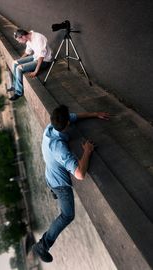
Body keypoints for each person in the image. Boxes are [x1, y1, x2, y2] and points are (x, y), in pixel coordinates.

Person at [32, 105, 109, 263]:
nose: (71, 118)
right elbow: (80, 174)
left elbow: (75, 117)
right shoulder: (60, 149)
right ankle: (42, 245)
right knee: (67, 215)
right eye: (69, 119)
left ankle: (53, 192)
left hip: (49, 175)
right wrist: (87, 151)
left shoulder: (50, 127)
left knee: (57, 179)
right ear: (66, 124)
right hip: (60, 185)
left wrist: (95, 112)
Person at [8, 29, 52, 101]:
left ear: (23, 37)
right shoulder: (28, 40)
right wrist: (19, 61)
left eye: (19, 40)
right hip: (36, 57)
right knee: (15, 63)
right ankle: (14, 85)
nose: (19, 42)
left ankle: (18, 93)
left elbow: (41, 56)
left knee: (19, 68)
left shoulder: (38, 38)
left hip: (44, 61)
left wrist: (35, 71)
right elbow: (27, 52)